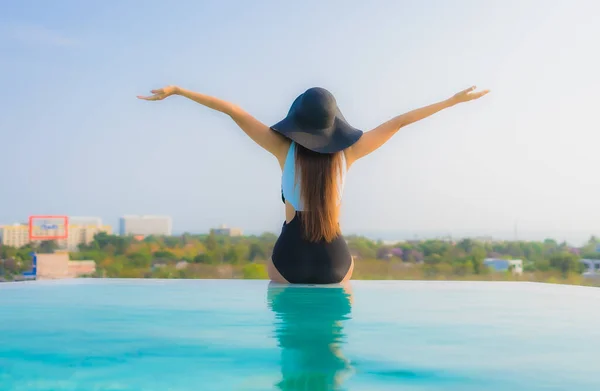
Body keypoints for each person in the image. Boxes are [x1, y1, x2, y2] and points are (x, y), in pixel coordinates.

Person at [138, 85, 489, 284]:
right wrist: (452, 101)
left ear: (297, 123)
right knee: (331, 352)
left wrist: (178, 91)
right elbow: (398, 122)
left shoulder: (280, 147)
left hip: (288, 257)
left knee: (290, 355)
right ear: (334, 124)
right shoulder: (350, 152)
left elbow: (233, 110)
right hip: (334, 260)